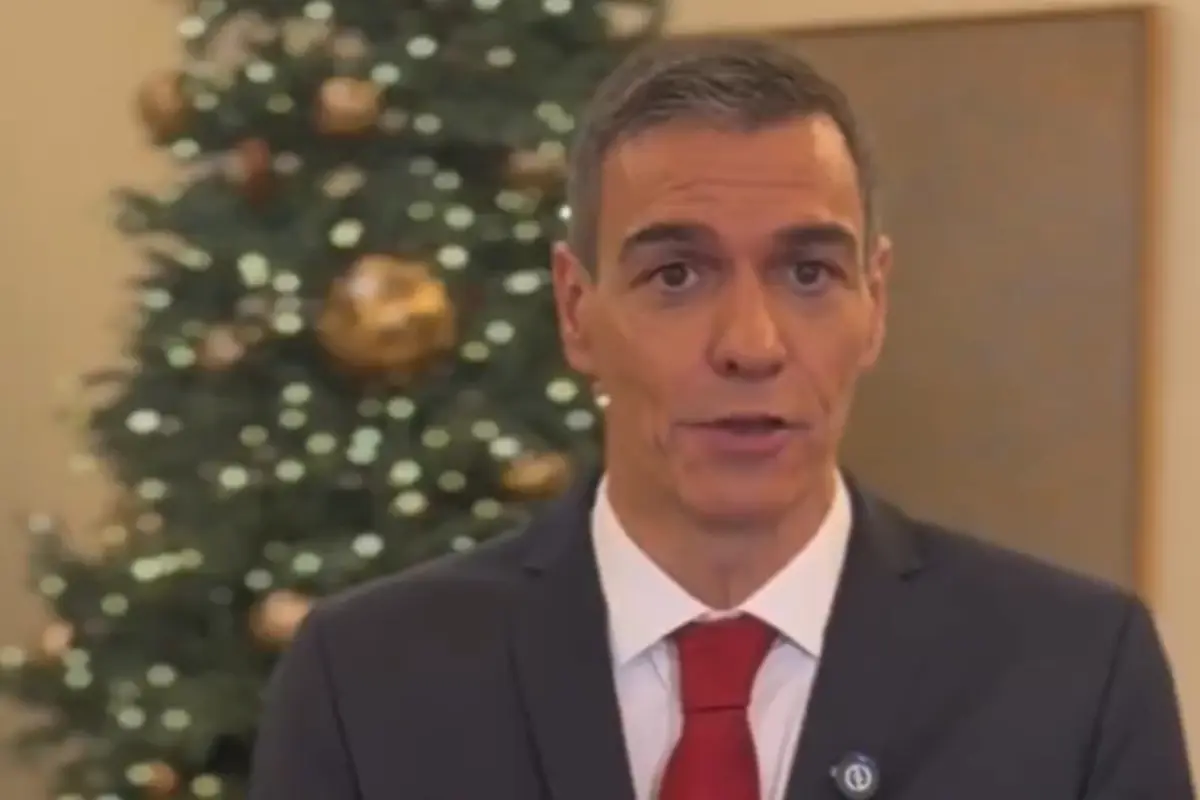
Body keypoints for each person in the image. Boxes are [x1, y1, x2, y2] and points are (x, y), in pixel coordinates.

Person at [248, 35, 1194, 800]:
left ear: (877, 302)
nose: (751, 343)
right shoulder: (367, 683)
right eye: (676, 275)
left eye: (809, 273)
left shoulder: (1071, 676)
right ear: (577, 311)